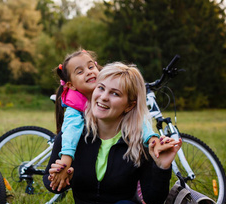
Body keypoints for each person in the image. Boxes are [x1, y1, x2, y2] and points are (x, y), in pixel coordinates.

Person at [44, 62, 196, 204]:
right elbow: (50, 182)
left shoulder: (138, 143)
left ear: (130, 105)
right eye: (101, 88)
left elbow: (154, 202)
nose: (103, 98)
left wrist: (162, 167)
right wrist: (55, 179)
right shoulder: (71, 138)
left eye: (115, 94)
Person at [51, 49, 162, 191]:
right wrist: (66, 159)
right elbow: (71, 131)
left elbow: (139, 117)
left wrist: (151, 137)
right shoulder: (74, 108)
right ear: (71, 85)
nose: (89, 72)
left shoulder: (116, 90)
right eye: (80, 72)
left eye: (91, 67)